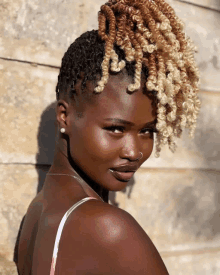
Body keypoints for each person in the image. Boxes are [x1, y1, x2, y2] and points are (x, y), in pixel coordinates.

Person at [15, 0, 200, 274]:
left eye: (148, 131)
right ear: (64, 116)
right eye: (116, 128)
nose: (134, 151)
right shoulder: (108, 228)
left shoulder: (37, 212)